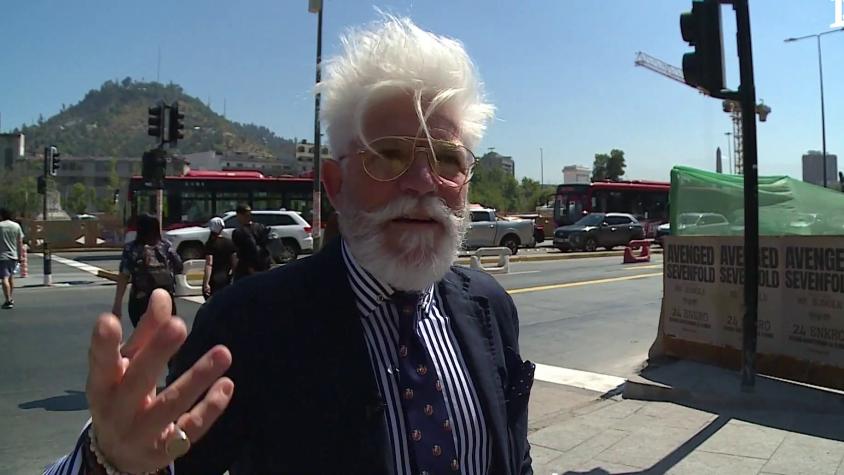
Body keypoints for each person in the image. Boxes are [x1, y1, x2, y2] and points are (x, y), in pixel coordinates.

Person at [46, 16, 533, 475]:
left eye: (447, 159)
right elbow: (161, 451)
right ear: (335, 184)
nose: (423, 182)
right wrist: (109, 461)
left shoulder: (490, 309)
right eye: (388, 155)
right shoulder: (246, 325)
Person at [112, 214, 183, 328]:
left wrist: (117, 304)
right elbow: (179, 266)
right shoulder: (166, 246)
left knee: (143, 336)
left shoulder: (132, 249)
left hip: (140, 301)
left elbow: (124, 276)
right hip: (165, 300)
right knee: (166, 337)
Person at [230, 204, 272, 280]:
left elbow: (238, 254)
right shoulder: (260, 227)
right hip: (263, 267)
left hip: (245, 271)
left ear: (239, 215)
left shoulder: (238, 232)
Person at [202, 217, 236, 300]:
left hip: (214, 279)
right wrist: (233, 276)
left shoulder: (210, 244)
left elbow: (209, 264)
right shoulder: (230, 243)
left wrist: (206, 283)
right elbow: (234, 262)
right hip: (226, 278)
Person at [0, 208, 24, 309]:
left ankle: (8, 300)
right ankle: (10, 297)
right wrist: (20, 256)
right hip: (13, 255)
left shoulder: (0, 226)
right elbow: (20, 242)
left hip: (2, 256)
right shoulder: (16, 226)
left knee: (4, 278)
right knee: (10, 277)